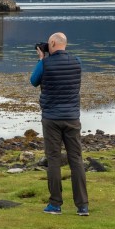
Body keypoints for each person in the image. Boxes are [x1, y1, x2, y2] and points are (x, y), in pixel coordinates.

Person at [30, 32, 89, 216]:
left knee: (54, 159)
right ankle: (82, 206)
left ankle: (55, 204)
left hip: (51, 118)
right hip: (72, 117)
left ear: (53, 43)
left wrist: (41, 59)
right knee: (76, 160)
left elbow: (33, 81)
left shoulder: (45, 64)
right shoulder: (77, 62)